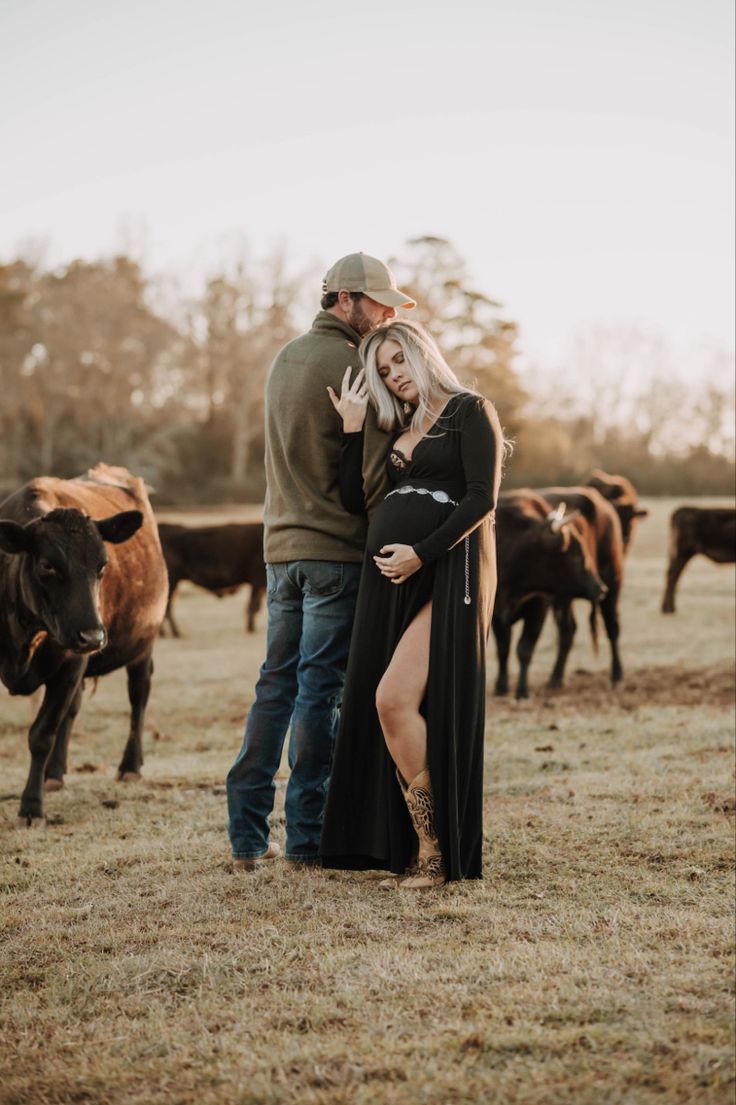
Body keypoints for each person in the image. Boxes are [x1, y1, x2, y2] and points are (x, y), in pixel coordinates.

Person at [226, 254, 416, 869]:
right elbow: (364, 481)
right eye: (379, 302)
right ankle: (307, 839)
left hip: (280, 550)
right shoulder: (356, 365)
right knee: (319, 693)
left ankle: (247, 836)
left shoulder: (283, 359)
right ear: (345, 299)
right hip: (335, 555)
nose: (386, 314)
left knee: (274, 684)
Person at [319, 319, 503, 888]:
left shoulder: (470, 411)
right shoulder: (398, 428)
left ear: (422, 353)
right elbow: (356, 501)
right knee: (381, 704)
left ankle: (435, 852)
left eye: (399, 361)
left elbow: (481, 499)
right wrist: (353, 431)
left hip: (449, 573)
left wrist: (421, 553)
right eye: (383, 371)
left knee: (393, 699)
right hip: (393, 583)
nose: (395, 376)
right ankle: (412, 847)